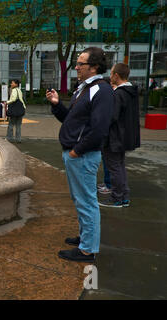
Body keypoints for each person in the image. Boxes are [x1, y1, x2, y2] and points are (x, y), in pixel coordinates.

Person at [45, 47, 114, 262]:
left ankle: (87, 250)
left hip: (82, 156)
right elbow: (72, 121)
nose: (76, 67)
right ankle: (86, 238)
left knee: (86, 202)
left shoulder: (100, 90)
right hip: (77, 154)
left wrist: (76, 151)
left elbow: (99, 129)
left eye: (80, 64)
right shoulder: (83, 89)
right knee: (80, 199)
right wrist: (57, 105)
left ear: (93, 67)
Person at [99, 63, 140, 208]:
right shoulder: (131, 92)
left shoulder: (118, 94)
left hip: (115, 138)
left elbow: (112, 117)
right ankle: (124, 196)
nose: (110, 77)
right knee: (120, 166)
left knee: (114, 168)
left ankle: (116, 198)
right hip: (125, 137)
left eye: (111, 74)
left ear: (116, 75)